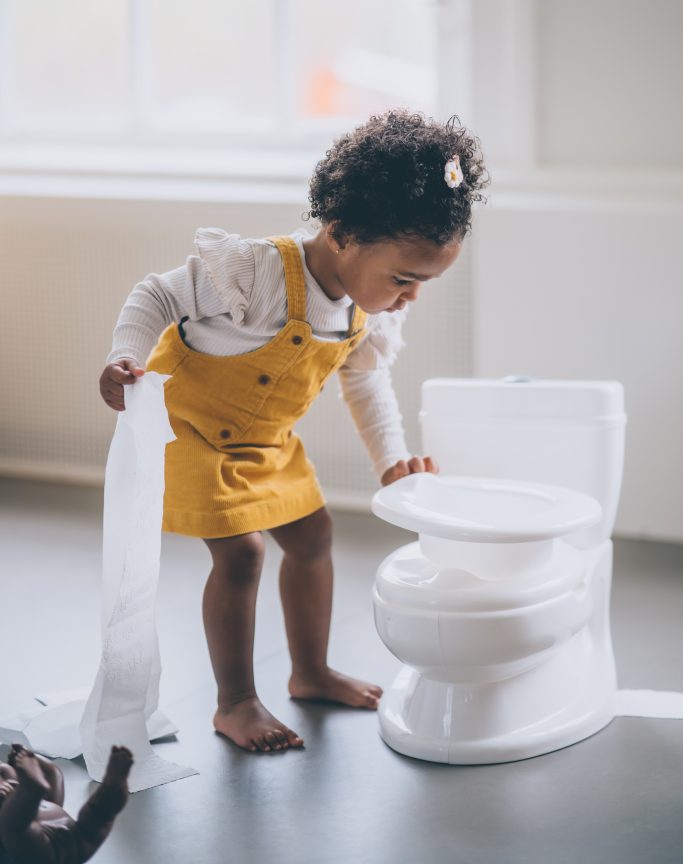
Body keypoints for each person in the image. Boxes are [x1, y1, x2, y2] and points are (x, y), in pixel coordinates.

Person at [98, 109, 488, 754]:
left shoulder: (368, 312)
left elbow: (364, 383)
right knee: (243, 553)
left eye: (423, 283)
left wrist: (391, 460)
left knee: (314, 535)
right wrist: (123, 356)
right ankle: (236, 702)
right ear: (340, 233)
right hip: (189, 431)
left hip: (266, 442)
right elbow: (155, 296)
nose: (409, 296)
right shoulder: (257, 273)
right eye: (403, 278)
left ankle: (309, 672)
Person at [0, 744, 133, 864]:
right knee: (12, 826)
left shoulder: (44, 799)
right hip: (36, 848)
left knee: (99, 812)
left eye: (2, 772)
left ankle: (112, 788)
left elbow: (54, 774)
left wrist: (32, 756)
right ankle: (114, 788)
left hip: (78, 835)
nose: (4, 781)